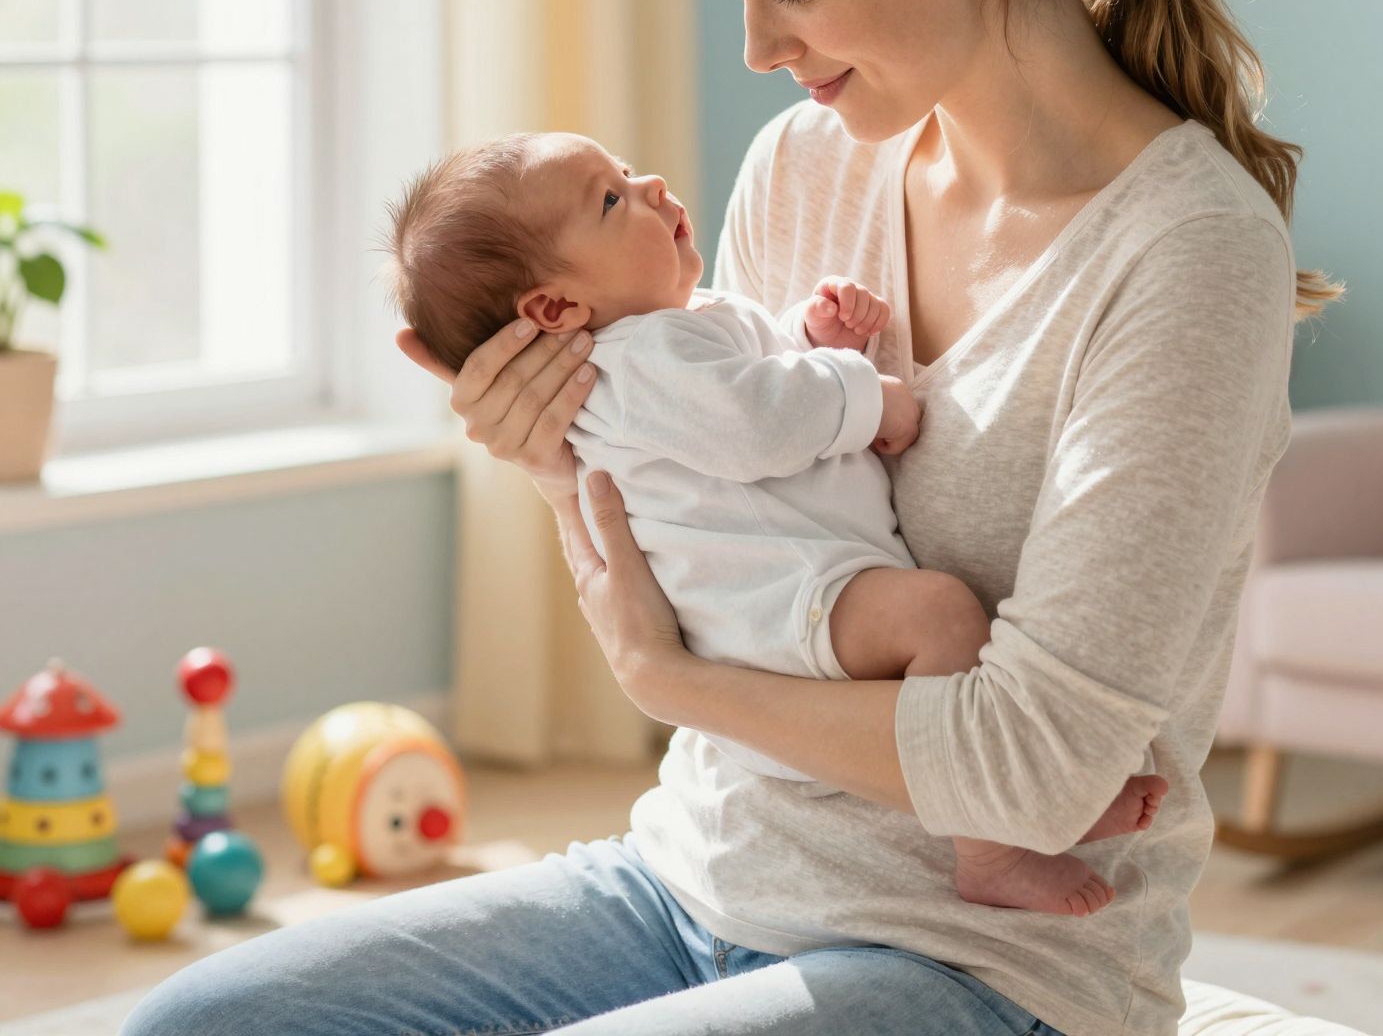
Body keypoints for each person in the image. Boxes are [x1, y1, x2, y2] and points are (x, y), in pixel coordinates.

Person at [121, 0, 1336, 1036]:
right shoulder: (813, 161)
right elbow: (719, 540)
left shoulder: (1185, 253)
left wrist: (666, 683)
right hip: (688, 880)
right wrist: (565, 452)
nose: (761, 49)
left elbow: (1037, 777)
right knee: (200, 1027)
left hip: (978, 968)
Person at [380, 128, 1167, 914]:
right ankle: (994, 845)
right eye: (612, 200)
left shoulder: (675, 331)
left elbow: (747, 382)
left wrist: (812, 336)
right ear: (556, 307)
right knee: (940, 616)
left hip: (790, 596)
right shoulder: (629, 363)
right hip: (773, 615)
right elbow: (755, 423)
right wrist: (868, 393)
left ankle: (1029, 804)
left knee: (938, 624)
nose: (651, 184)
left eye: (624, 167)